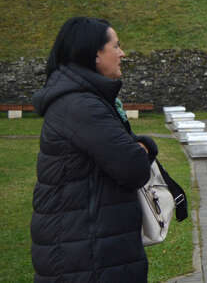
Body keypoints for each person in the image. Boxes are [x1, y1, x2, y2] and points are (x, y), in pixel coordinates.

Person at [31, 17, 158, 282]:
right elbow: (133, 166)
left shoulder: (83, 100)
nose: (122, 53)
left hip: (89, 244)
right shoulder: (81, 106)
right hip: (88, 253)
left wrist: (139, 147)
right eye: (116, 46)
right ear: (95, 54)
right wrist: (145, 147)